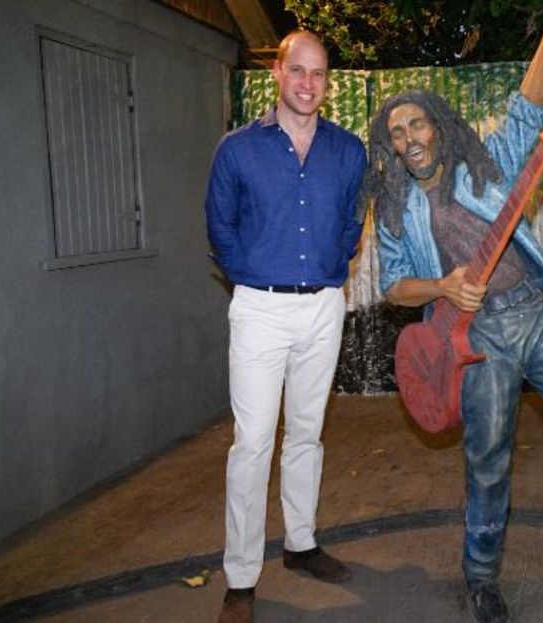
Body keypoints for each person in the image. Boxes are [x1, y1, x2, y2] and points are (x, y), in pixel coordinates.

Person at [364, 1, 543, 621]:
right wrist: (443, 287)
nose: (408, 140)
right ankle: (481, 579)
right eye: (395, 133)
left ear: (438, 126)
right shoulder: (395, 209)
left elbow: (528, 108)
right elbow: (393, 287)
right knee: (488, 463)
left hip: (531, 312)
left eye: (416, 124)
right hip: (474, 340)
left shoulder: (485, 164)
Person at [204, 30, 367, 623]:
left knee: (306, 433)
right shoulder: (238, 150)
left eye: (318, 74)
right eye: (297, 70)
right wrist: (250, 273)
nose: (307, 83)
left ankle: (301, 543)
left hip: (323, 305)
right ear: (277, 71)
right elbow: (219, 228)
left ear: (328, 81)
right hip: (259, 308)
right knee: (252, 445)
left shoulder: (348, 151)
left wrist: (333, 264)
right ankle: (241, 576)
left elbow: (354, 218)